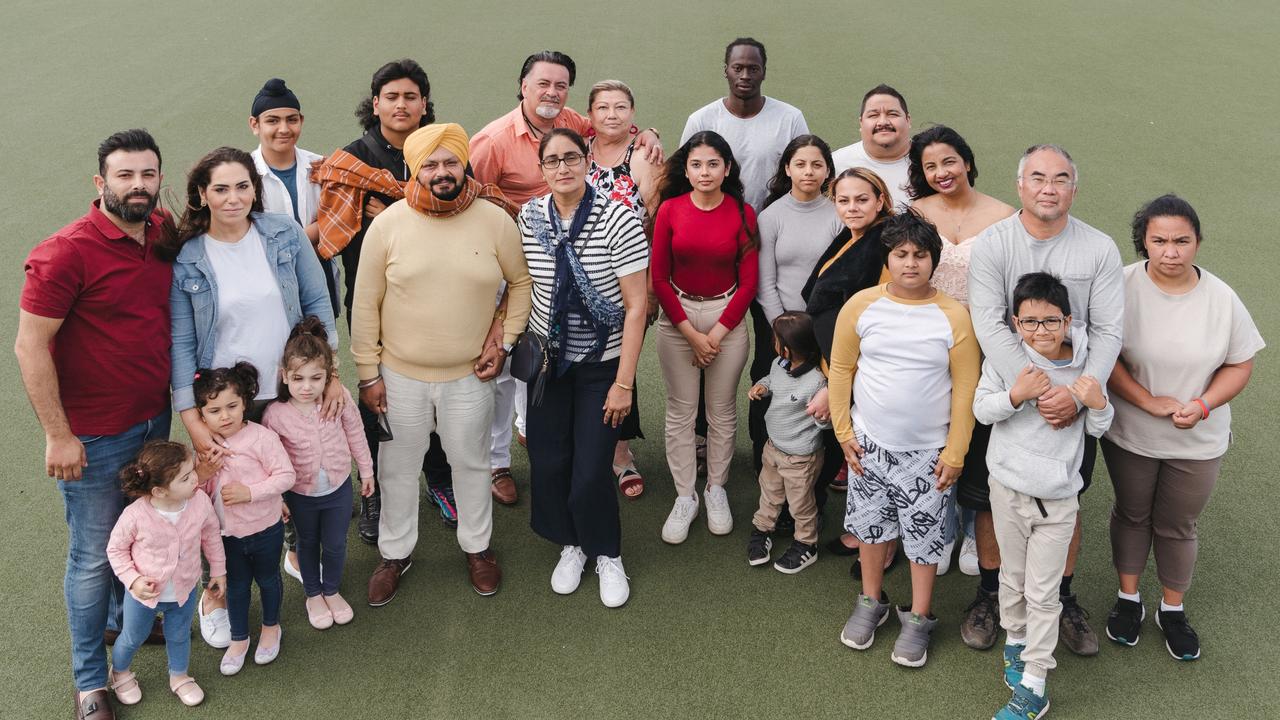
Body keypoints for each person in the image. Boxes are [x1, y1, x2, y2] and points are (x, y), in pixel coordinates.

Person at [16, 128, 173, 720]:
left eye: (148, 174)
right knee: (91, 555)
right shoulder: (65, 252)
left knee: (137, 533)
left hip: (153, 420)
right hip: (95, 436)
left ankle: (117, 622)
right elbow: (31, 348)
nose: (138, 186)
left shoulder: (161, 233)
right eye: (125, 176)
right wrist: (59, 434)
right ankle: (90, 684)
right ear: (100, 182)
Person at [352, 123, 532, 605]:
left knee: (470, 464)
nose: (441, 172)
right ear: (414, 169)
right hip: (399, 376)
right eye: (430, 164)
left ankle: (478, 548)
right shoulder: (388, 225)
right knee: (396, 466)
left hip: (470, 375)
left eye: (450, 161)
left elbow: (521, 285)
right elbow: (364, 303)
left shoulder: (494, 220)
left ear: (463, 164)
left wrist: (506, 340)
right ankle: (395, 554)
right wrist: (368, 375)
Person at [471, 51, 661, 505]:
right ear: (523, 86)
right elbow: (470, 196)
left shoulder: (575, 122)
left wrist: (646, 133)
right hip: (514, 257)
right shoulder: (494, 140)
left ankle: (555, 432)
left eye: (561, 85)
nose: (552, 93)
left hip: (588, 255)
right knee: (505, 361)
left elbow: (614, 126)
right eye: (543, 84)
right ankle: (499, 462)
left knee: (572, 353)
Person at [168, 145, 337, 648]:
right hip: (225, 404)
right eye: (220, 188)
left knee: (295, 477)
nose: (233, 197)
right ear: (203, 194)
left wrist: (327, 374)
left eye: (243, 186)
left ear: (254, 189)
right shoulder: (190, 256)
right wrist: (193, 417)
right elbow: (179, 341)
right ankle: (216, 591)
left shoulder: (283, 233)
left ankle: (293, 553)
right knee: (222, 499)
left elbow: (317, 301)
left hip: (287, 390)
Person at [967, 144, 1125, 657]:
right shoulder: (993, 243)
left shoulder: (1099, 248)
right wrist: (1034, 393)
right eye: (1038, 177)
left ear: (1073, 189)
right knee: (994, 502)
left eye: (1060, 179)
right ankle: (991, 596)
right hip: (1014, 400)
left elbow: (1107, 331)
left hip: (1073, 415)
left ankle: (1063, 597)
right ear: (1020, 186)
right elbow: (989, 323)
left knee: (1067, 501)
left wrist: (1078, 400)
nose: (1049, 188)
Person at [1102, 195, 1264, 661]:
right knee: (1132, 512)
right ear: (1143, 242)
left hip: (1198, 437)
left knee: (1178, 524)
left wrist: (1203, 405)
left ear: (1197, 242)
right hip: (1132, 431)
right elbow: (1106, 356)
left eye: (1181, 241)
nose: (1170, 251)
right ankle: (1128, 599)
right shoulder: (1122, 286)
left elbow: (1239, 363)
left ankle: (1172, 609)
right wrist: (1147, 400)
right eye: (1159, 241)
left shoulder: (1221, 298)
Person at [311, 59, 458, 540]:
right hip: (373, 302)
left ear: (424, 104)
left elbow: (461, 212)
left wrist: (396, 209)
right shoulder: (350, 160)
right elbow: (333, 232)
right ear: (375, 104)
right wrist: (373, 212)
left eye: (410, 96)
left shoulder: (442, 152)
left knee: (437, 395)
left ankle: (439, 480)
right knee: (378, 395)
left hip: (438, 300)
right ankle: (373, 493)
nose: (401, 105)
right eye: (391, 96)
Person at [831, 211, 979, 669]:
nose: (911, 263)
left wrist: (954, 452)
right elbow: (840, 370)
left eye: (920, 255)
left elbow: (965, 389)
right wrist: (844, 433)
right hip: (868, 446)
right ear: (887, 258)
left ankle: (919, 616)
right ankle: (870, 602)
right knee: (871, 530)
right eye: (901, 254)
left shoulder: (954, 315)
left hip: (929, 454)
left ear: (934, 261)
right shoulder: (861, 305)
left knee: (924, 539)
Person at [973, 273, 1113, 720]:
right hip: (1008, 489)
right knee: (1012, 579)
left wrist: (1098, 403)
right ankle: (1016, 642)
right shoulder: (1007, 363)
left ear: (1068, 320)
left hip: (1057, 500)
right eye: (1029, 322)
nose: (1040, 331)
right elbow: (981, 409)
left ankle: (1034, 685)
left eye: (1050, 321)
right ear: (1015, 323)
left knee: (1044, 591)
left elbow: (1097, 429)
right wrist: (1016, 394)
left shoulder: (1087, 366)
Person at [519, 128, 648, 607]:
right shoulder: (529, 217)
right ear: (542, 169)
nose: (562, 167)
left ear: (586, 160)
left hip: (601, 365)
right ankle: (572, 543)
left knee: (592, 468)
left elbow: (636, 307)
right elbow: (525, 284)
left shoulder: (619, 219)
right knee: (550, 461)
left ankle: (606, 552)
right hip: (548, 366)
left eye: (571, 157)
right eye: (551, 161)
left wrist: (623, 383)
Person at [907, 125, 1016, 579]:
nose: (941, 172)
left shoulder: (1005, 215)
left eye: (948, 161)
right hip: (927, 340)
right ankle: (943, 525)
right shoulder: (914, 210)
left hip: (986, 343)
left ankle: (975, 528)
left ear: (967, 161)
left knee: (979, 435)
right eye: (930, 166)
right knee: (936, 432)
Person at [652, 131, 759, 544]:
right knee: (680, 411)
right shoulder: (670, 211)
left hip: (725, 319)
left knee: (720, 411)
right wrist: (691, 335)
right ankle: (685, 496)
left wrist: (713, 334)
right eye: (696, 164)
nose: (704, 172)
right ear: (687, 169)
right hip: (678, 318)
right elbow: (659, 278)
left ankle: (715, 489)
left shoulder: (743, 213)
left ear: (727, 168)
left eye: (713, 164)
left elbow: (748, 284)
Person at [800, 168, 900, 571]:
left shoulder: (888, 244)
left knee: (876, 460)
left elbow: (884, 323)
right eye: (844, 200)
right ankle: (865, 531)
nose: (852, 207)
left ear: (880, 200)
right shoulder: (852, 236)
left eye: (862, 199)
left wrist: (838, 387)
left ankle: (886, 544)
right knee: (862, 461)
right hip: (840, 365)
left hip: (869, 374)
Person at [262, 318, 375, 628]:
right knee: (307, 542)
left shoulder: (339, 400)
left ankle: (332, 590)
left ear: (329, 376)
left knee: (336, 543)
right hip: (301, 495)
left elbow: (356, 434)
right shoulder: (275, 415)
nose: (307, 387)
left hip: (338, 489)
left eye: (316, 378)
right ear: (285, 376)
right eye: (298, 378)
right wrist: (278, 499)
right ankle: (313, 593)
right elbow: (271, 461)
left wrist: (366, 471)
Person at [585, 79, 663, 497]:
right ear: (590, 114)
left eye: (620, 107)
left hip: (628, 280)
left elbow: (656, 219)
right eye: (603, 107)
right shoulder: (578, 150)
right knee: (585, 364)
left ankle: (619, 453)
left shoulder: (643, 155)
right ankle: (587, 444)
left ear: (633, 114)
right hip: (581, 281)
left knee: (620, 365)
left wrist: (650, 288)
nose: (611, 115)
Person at [105, 441, 226, 708]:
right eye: (185, 478)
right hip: (143, 595)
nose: (196, 478)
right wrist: (133, 580)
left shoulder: (200, 503)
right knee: (133, 636)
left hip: (183, 590)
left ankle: (179, 676)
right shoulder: (135, 515)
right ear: (159, 491)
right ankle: (120, 671)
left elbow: (211, 536)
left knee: (179, 634)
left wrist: (218, 570)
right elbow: (115, 549)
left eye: (192, 470)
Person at [191, 364, 294, 676]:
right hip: (227, 536)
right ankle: (239, 638)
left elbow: (286, 476)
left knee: (268, 580)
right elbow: (195, 492)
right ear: (201, 415)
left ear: (245, 404)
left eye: (232, 407)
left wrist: (250, 492)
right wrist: (203, 474)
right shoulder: (205, 448)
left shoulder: (261, 438)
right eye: (214, 410)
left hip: (265, 529)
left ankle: (270, 627)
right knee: (235, 587)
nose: (225, 416)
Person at [754, 135, 841, 482]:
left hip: (823, 327)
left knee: (823, 398)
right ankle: (766, 465)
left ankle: (822, 473)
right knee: (769, 390)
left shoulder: (837, 212)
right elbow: (765, 281)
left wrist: (818, 329)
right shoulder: (772, 216)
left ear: (827, 171)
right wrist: (783, 328)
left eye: (817, 164)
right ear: (787, 168)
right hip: (779, 328)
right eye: (801, 164)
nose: (808, 171)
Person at [680, 37, 809, 213]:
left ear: (764, 72)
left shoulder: (790, 119)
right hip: (717, 224)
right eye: (738, 68)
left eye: (753, 69)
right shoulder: (701, 120)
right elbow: (682, 178)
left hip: (776, 221)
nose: (745, 76)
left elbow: (806, 171)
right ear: (726, 71)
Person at [746, 311, 828, 573]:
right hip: (773, 447)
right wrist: (762, 386)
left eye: (777, 339)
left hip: (801, 458)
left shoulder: (816, 380)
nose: (773, 343)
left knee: (801, 503)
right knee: (769, 493)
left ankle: (807, 543)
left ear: (791, 347)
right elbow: (772, 381)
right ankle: (763, 529)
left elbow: (825, 421)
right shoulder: (778, 364)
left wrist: (821, 416)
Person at [831, 84, 913, 209]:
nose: (883, 122)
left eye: (892, 114)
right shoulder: (835, 164)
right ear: (861, 123)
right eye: (873, 115)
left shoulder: (930, 162)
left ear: (908, 120)